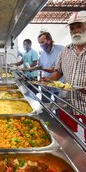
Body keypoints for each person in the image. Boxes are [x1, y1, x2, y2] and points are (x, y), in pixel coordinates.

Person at [41, 11, 86, 142]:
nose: (75, 30)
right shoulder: (65, 51)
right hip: (66, 102)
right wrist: (49, 79)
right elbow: (58, 72)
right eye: (72, 28)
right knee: (67, 137)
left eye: (79, 26)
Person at [28, 32, 64, 102]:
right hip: (46, 85)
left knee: (59, 108)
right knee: (45, 107)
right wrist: (33, 68)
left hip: (59, 86)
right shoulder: (43, 54)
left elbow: (64, 68)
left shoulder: (62, 50)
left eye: (42, 42)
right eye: (39, 43)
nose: (41, 45)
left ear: (49, 40)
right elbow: (41, 66)